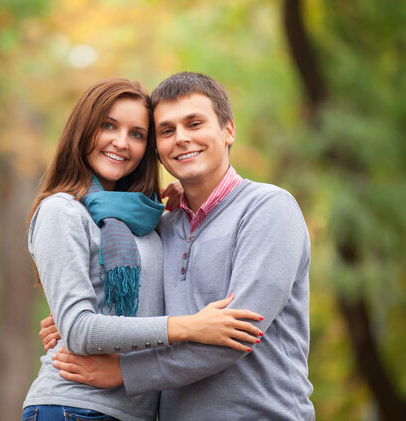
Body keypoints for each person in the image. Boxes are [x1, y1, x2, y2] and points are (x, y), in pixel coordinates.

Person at [45, 72, 315, 420]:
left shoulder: (268, 208)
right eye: (167, 131)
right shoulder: (163, 228)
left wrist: (126, 373)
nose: (182, 139)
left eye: (195, 123)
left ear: (228, 130)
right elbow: (135, 307)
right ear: (157, 149)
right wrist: (76, 324)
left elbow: (237, 334)